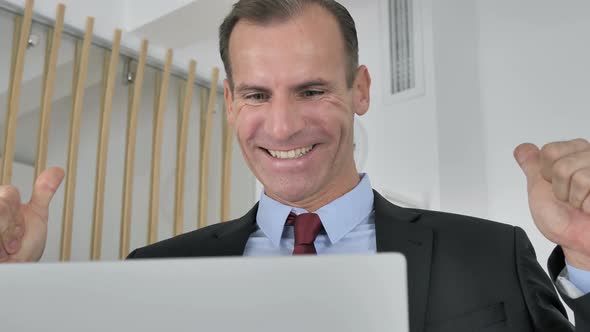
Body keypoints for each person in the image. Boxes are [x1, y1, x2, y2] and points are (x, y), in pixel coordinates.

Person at [0, 0, 589, 330]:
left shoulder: (491, 254)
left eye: (311, 91)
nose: (281, 127)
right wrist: (11, 294)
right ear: (230, 102)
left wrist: (589, 259)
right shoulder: (154, 271)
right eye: (256, 95)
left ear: (360, 90)